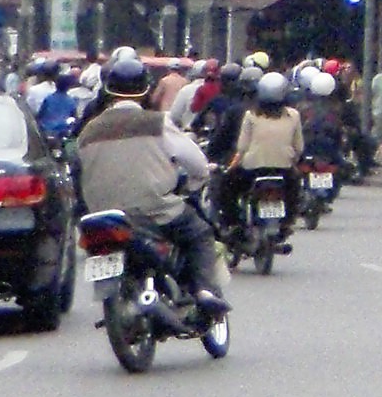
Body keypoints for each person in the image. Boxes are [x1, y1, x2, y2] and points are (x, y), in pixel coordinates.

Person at [75, 52, 229, 313]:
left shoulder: (88, 130)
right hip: (153, 213)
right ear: (146, 89)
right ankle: (204, 290)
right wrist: (192, 186)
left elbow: (79, 171)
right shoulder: (157, 122)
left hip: (100, 216)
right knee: (200, 233)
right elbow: (198, 166)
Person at [222, 71, 305, 245]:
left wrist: (231, 167)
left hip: (252, 170)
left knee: (227, 186)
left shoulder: (251, 115)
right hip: (284, 170)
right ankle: (287, 222)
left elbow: (242, 147)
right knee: (295, 190)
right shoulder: (294, 115)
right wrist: (292, 162)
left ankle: (235, 224)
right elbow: (299, 147)